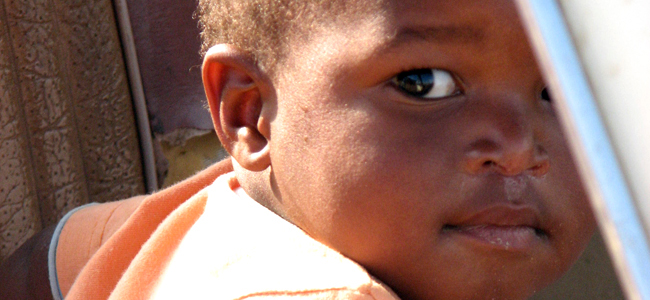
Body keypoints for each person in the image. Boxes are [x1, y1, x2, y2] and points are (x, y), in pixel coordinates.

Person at [0, 0, 596, 299]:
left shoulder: (190, 220)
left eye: (561, 95)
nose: (519, 148)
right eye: (425, 84)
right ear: (250, 114)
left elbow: (41, 267)